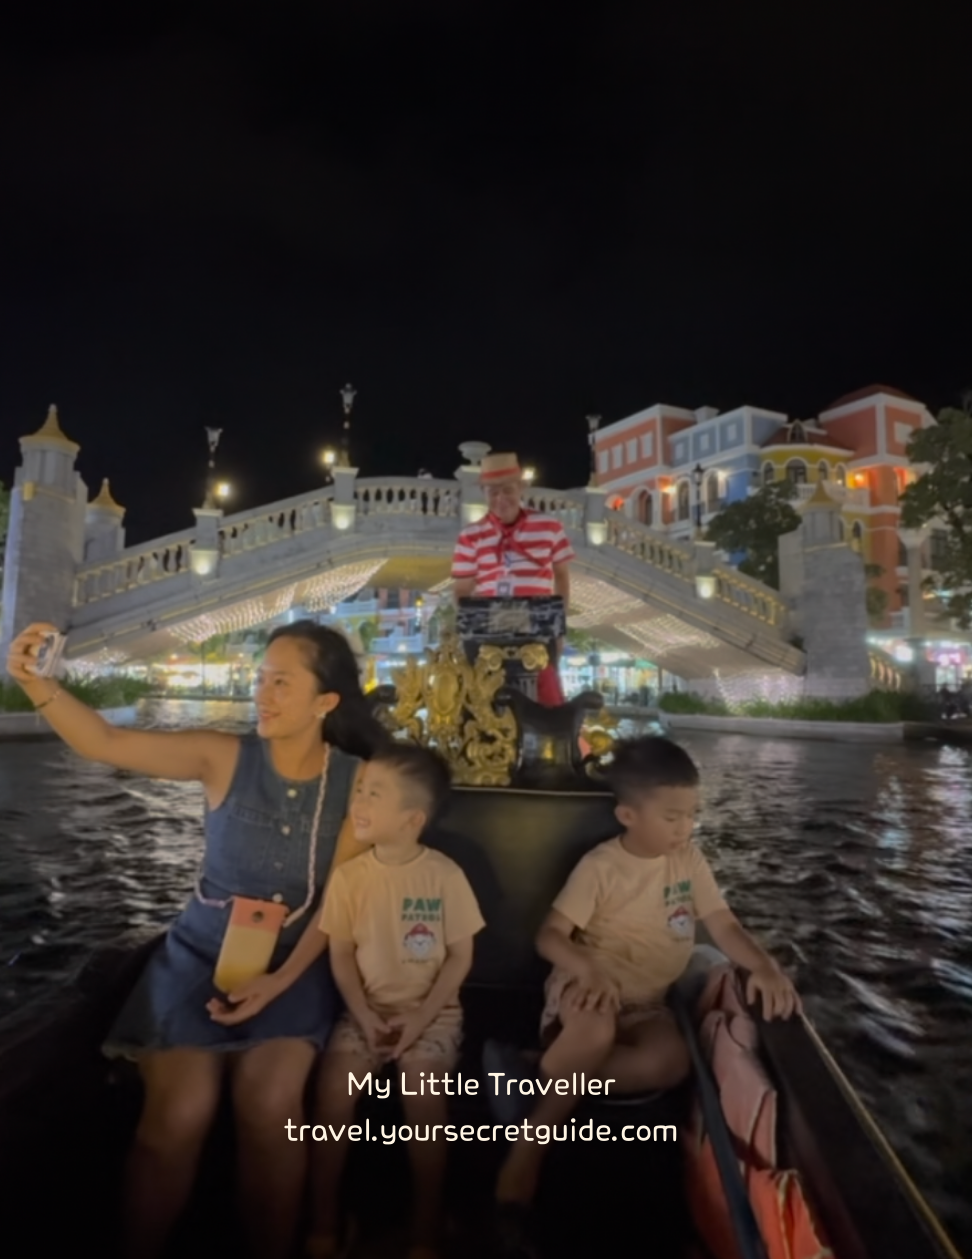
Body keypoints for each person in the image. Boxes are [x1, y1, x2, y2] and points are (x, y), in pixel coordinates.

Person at [6, 619, 388, 1259]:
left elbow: (338, 906)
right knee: (180, 1110)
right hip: (198, 957)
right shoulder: (223, 756)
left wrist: (277, 983)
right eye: (261, 679)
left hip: (296, 965)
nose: (262, 693)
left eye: (282, 683)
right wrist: (33, 681)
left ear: (326, 701)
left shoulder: (359, 782)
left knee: (271, 1104)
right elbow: (103, 741)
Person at [484, 735, 800, 1253]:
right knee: (595, 1031)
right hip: (588, 991)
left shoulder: (689, 862)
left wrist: (763, 966)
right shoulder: (603, 867)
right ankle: (530, 1148)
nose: (685, 828)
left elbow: (722, 924)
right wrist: (586, 968)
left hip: (648, 1003)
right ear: (628, 815)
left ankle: (538, 1072)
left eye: (691, 815)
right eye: (672, 817)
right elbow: (551, 936)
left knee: (671, 1061)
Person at [308, 742, 485, 1259]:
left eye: (374, 794)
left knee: (422, 1094)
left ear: (412, 819)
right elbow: (341, 955)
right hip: (364, 1010)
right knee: (333, 1094)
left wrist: (421, 1018)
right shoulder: (349, 878)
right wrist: (364, 1015)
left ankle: (426, 1227)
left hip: (433, 1013)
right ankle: (323, 1221)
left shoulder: (444, 876)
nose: (358, 802)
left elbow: (460, 957)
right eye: (360, 790)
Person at [451, 452, 573, 705]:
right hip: (490, 632)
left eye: (507, 490)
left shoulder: (549, 527)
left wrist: (558, 628)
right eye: (492, 492)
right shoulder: (470, 536)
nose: (500, 499)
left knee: (547, 704)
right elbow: (462, 589)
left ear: (521, 488)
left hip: (538, 628)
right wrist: (470, 629)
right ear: (483, 493)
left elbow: (562, 576)